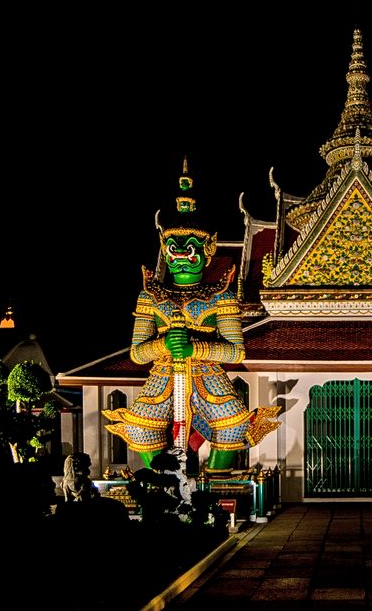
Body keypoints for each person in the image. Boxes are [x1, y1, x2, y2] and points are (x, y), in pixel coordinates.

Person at [104, 159, 279, 474]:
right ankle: (161, 484)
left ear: (208, 249)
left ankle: (215, 485)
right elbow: (137, 353)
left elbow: (236, 350)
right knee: (142, 429)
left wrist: (194, 348)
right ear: (165, 249)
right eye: (173, 249)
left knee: (233, 427)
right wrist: (164, 346)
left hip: (207, 374)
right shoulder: (151, 296)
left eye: (191, 248)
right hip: (162, 374)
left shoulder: (219, 297)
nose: (181, 256)